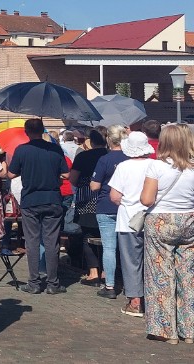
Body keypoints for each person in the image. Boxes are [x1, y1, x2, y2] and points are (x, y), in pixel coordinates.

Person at [140, 123, 194, 345]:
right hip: (188, 220)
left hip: (161, 221)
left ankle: (166, 330)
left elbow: (147, 199)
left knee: (160, 275)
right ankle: (189, 329)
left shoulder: (156, 167)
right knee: (188, 276)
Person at [8, 118, 68, 294]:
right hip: (52, 198)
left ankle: (34, 282)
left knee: (32, 241)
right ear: (43, 130)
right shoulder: (55, 149)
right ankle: (52, 283)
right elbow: (65, 174)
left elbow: (11, 174)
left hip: (31, 200)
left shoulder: (22, 150)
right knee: (51, 241)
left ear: (26, 132)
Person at [108, 131, 153, 319]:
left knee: (131, 261)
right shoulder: (156, 165)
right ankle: (154, 298)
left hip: (128, 219)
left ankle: (135, 301)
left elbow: (115, 196)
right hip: (151, 217)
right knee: (151, 261)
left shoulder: (124, 167)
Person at [90, 125, 129, 300]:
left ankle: (110, 285)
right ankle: (131, 285)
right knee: (128, 249)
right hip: (127, 206)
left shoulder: (104, 160)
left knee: (109, 248)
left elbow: (95, 185)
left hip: (106, 206)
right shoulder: (130, 158)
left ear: (108, 140)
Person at [68, 127, 108, 285]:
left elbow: (73, 179)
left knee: (87, 236)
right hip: (107, 199)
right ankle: (106, 271)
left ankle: (93, 272)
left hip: (87, 200)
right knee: (107, 238)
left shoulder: (84, 156)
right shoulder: (110, 156)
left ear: (91, 141)